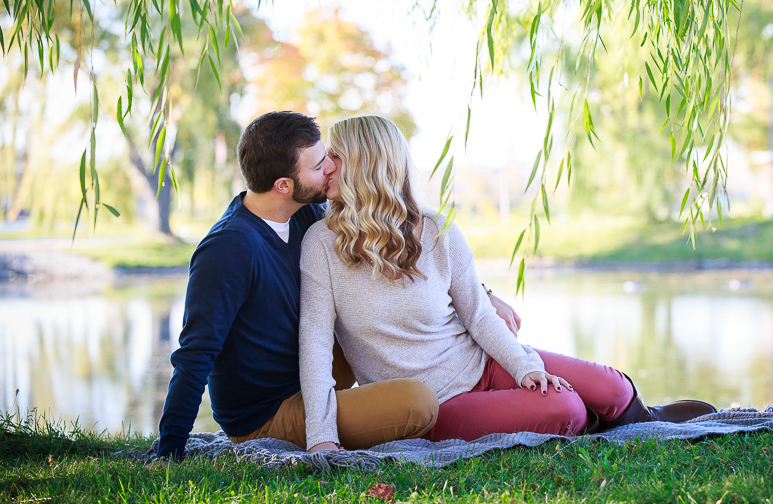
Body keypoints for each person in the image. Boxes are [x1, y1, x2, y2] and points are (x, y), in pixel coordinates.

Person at [298, 115, 716, 449]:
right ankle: (594, 423)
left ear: (367, 164)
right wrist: (321, 436)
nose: (326, 165)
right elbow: (315, 344)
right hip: (435, 403)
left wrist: (524, 368)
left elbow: (479, 317)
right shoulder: (320, 243)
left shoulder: (437, 230)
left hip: (480, 361)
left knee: (612, 386)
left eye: (336, 155)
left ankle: (646, 423)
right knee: (564, 408)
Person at [156, 111, 443, 458]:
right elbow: (195, 355)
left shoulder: (304, 215)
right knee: (419, 402)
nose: (331, 168)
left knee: (365, 320)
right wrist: (169, 449)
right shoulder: (228, 249)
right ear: (284, 185)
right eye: (319, 164)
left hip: (311, 374)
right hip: (266, 414)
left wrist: (481, 294)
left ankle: (446, 382)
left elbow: (386, 241)